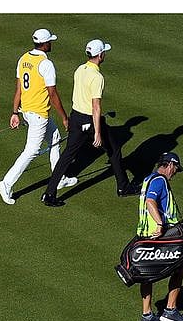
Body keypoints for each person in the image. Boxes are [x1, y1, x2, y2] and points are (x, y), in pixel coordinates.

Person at [41, 39, 135, 207]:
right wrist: (97, 132)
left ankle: (49, 193)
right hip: (89, 120)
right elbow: (96, 106)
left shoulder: (79, 69)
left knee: (66, 156)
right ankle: (123, 187)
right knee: (114, 150)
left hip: (75, 118)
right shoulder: (97, 77)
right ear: (100, 55)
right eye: (104, 52)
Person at [0, 28, 72, 205]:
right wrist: (64, 117)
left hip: (27, 111)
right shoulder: (46, 64)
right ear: (45, 44)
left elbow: (19, 89)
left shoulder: (23, 59)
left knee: (55, 138)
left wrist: (15, 112)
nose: (51, 44)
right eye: (50, 41)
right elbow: (53, 94)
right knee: (31, 151)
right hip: (38, 114)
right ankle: (6, 183)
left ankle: (58, 177)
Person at [135, 152, 183, 321]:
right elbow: (151, 202)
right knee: (179, 268)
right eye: (176, 169)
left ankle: (147, 315)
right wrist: (160, 224)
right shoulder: (160, 181)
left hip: (144, 234)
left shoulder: (148, 179)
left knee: (146, 273)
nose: (175, 173)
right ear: (170, 165)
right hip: (160, 235)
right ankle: (170, 311)